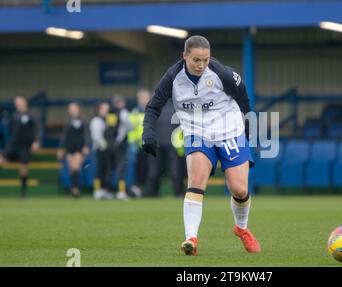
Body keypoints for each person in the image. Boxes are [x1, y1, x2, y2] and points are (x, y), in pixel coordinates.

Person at [142, 35, 260, 255]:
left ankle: (241, 228)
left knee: (239, 189)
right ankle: (191, 239)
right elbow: (153, 107)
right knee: (196, 182)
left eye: (205, 60)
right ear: (184, 56)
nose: (201, 65)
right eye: (196, 59)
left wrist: (248, 125)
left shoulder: (222, 74)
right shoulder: (172, 77)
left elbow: (243, 97)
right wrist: (148, 133)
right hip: (197, 133)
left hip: (229, 131)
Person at [130, 89, 184, 197]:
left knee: (154, 170)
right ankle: (178, 193)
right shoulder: (175, 108)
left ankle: (153, 192)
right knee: (175, 170)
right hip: (171, 143)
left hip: (157, 143)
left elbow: (149, 125)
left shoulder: (153, 108)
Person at [0, 96, 39, 197]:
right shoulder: (14, 116)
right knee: (2, 159)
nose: (17, 103)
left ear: (25, 102)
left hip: (24, 146)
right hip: (13, 144)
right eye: (16, 102)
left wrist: (35, 141)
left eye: (19, 101)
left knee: (23, 168)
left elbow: (35, 129)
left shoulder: (31, 115)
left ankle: (23, 191)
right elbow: (11, 130)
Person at [57, 102, 90, 198]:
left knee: (76, 167)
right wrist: (61, 149)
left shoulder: (83, 121)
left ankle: (75, 189)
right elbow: (64, 137)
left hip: (79, 147)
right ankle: (73, 188)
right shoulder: (68, 122)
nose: (72, 110)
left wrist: (86, 145)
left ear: (78, 109)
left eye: (74, 108)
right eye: (70, 108)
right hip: (69, 147)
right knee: (71, 169)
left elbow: (86, 134)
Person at [105, 95, 133, 200]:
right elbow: (129, 126)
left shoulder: (110, 114)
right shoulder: (123, 112)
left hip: (109, 144)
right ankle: (121, 191)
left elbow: (109, 129)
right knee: (121, 168)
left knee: (111, 168)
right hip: (119, 144)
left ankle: (108, 191)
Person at [90, 102, 114, 200]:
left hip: (107, 150)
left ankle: (104, 190)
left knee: (106, 170)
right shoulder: (96, 120)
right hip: (100, 149)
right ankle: (97, 190)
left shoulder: (107, 120)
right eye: (104, 109)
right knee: (99, 170)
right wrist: (103, 143)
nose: (106, 111)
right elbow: (96, 136)